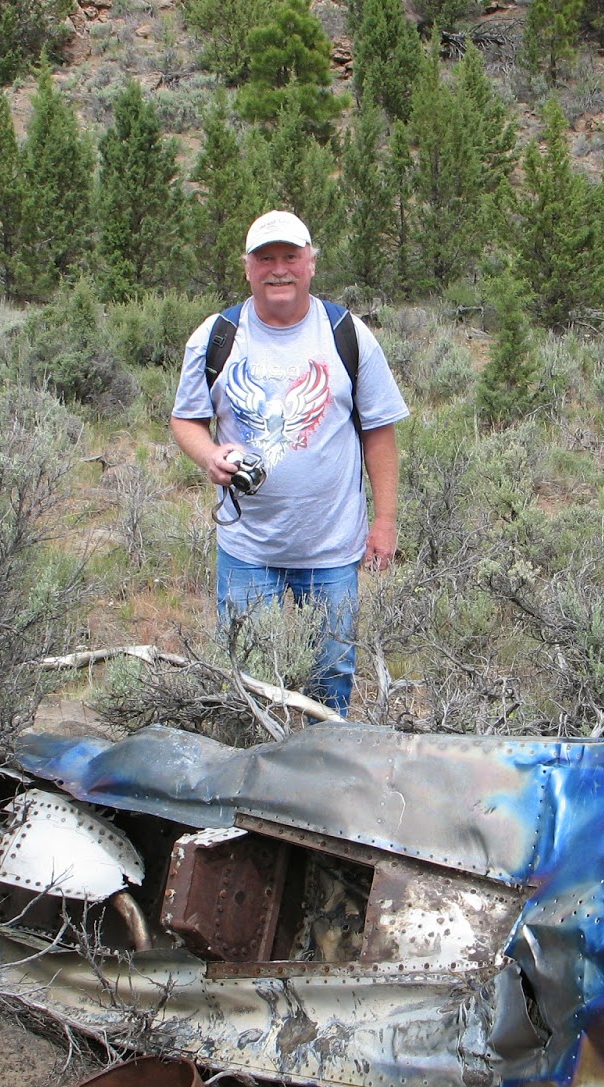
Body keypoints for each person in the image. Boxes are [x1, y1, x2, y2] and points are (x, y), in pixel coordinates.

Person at [171, 211, 409, 716]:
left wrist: (385, 522)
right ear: (247, 268)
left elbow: (379, 433)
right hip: (247, 546)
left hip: (331, 548)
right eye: (265, 259)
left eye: (290, 257)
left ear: (311, 264)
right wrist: (210, 455)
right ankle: (252, 759)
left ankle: (323, 760)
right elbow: (186, 419)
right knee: (247, 680)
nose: (279, 269)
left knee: (331, 678)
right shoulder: (217, 335)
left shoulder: (347, 333)